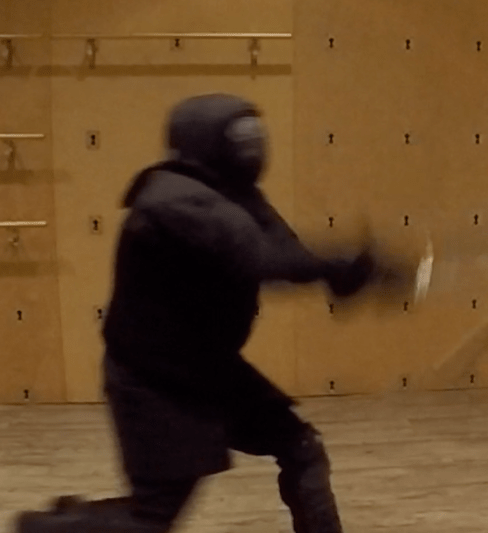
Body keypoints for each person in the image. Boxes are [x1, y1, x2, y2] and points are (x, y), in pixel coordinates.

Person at [15, 94, 400, 533]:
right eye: (242, 140)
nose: (254, 149)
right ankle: (46, 529)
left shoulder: (235, 194)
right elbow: (256, 257)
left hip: (206, 369)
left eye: (257, 138)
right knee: (151, 519)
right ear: (206, 141)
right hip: (155, 383)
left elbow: (284, 252)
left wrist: (345, 274)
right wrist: (338, 268)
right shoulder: (173, 200)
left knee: (300, 447)